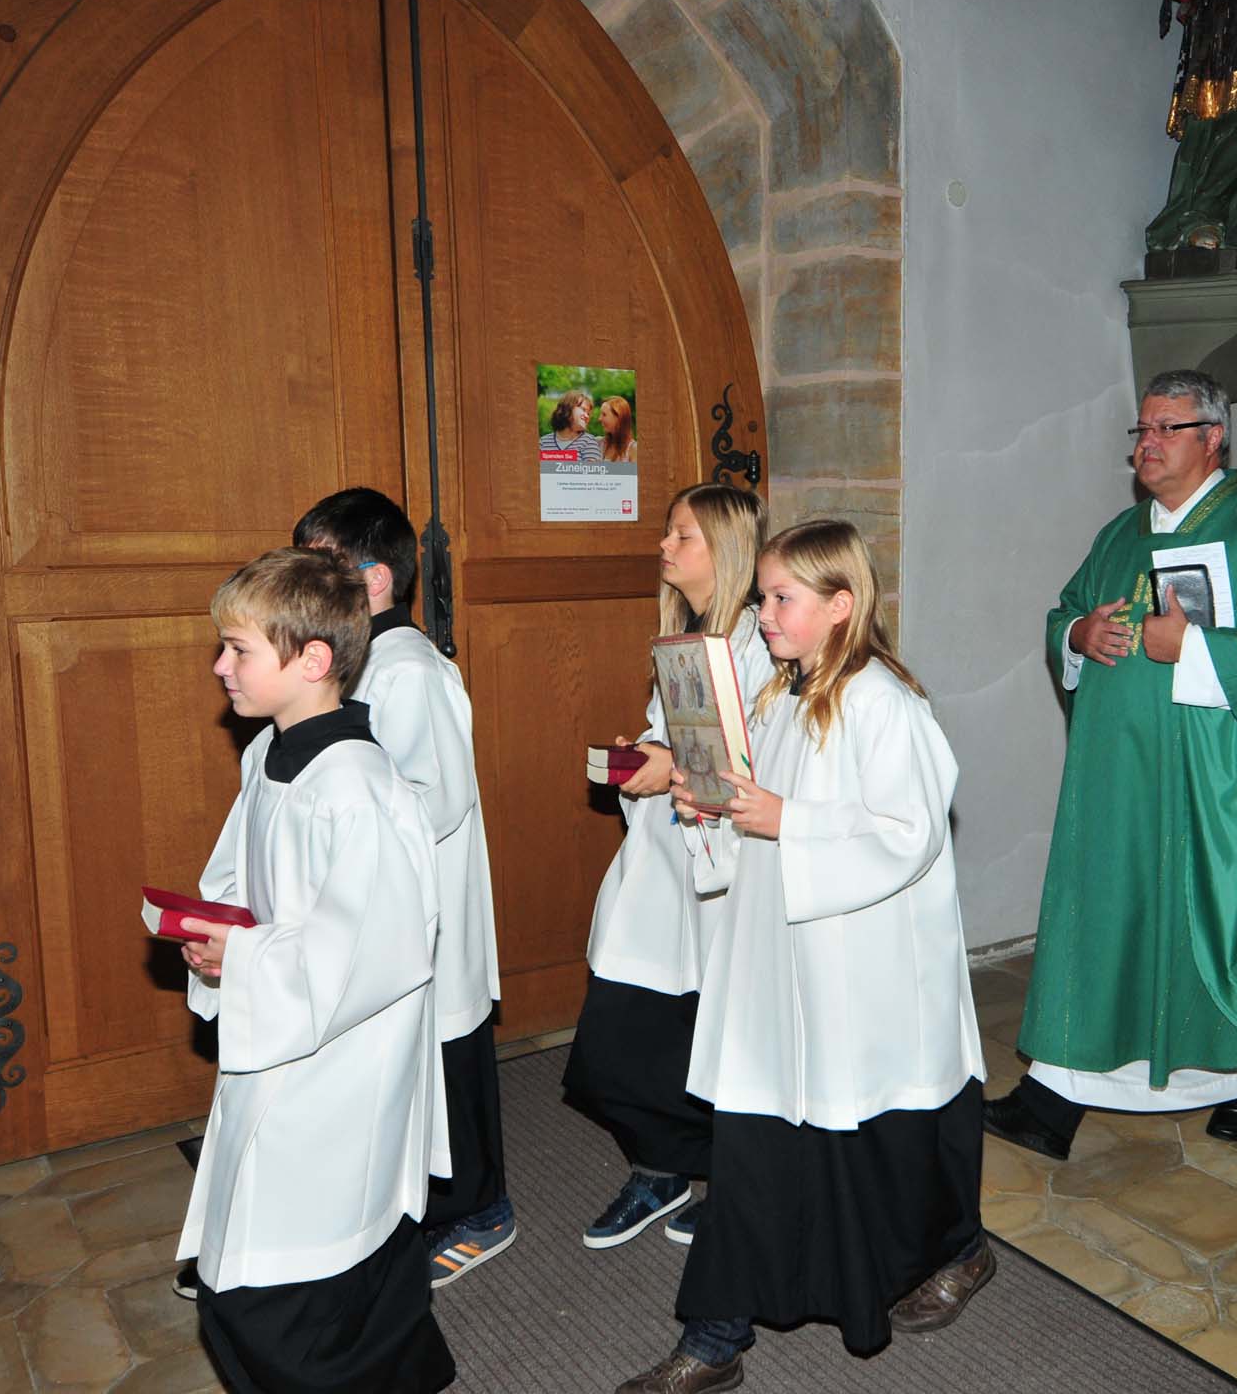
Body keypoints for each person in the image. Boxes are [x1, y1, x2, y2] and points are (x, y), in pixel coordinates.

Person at [618, 520, 989, 1394]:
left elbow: (909, 835)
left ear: (840, 605)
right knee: (750, 1139)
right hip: (774, 960)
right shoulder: (783, 695)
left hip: (858, 972)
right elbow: (755, 804)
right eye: (765, 596)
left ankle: (961, 1250)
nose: (765, 612)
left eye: (782, 598)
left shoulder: (884, 704)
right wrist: (709, 806)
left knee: (880, 1149)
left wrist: (790, 822)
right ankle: (714, 1338)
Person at [983, 368, 1237, 1163]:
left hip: (1218, 786)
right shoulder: (1122, 536)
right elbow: (1064, 611)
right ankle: (1055, 1097)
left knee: (1219, 927)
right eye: (1140, 431)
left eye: (1165, 429)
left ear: (1213, 438)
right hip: (1116, 781)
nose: (1146, 445)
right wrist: (1079, 635)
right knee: (1102, 919)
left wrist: (1194, 648)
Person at [176, 547, 456, 1394]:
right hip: (283, 1032)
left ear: (314, 661)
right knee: (281, 1249)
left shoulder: (360, 788)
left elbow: (375, 947)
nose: (221, 667)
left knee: (293, 1274)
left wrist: (249, 957)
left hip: (342, 1061)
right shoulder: (269, 755)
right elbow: (235, 876)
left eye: (238, 649)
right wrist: (214, 931)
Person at [291, 487, 513, 1289]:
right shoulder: (353, 664)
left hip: (429, 908)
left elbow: (436, 795)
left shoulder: (410, 669)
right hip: (379, 900)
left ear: (375, 580)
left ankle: (480, 1209)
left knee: (449, 1057)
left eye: (320, 566)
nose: (302, 582)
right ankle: (409, 1203)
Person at [563, 483, 772, 1251]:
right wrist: (645, 752)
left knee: (716, 1034)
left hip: (722, 867)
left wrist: (665, 760)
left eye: (681, 536)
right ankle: (663, 1165)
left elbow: (744, 763)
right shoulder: (680, 637)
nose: (664, 546)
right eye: (667, 533)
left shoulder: (757, 645)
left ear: (725, 549)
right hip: (661, 861)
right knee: (621, 1039)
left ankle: (726, 1175)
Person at [540, 389, 598, 459]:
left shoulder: (589, 441)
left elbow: (592, 469)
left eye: (588, 413)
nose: (587, 416)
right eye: (583, 410)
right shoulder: (543, 442)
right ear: (568, 408)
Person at [599, 396, 640, 463]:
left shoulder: (633, 449)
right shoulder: (598, 443)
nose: (599, 419)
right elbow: (575, 451)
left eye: (604, 414)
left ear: (618, 418)